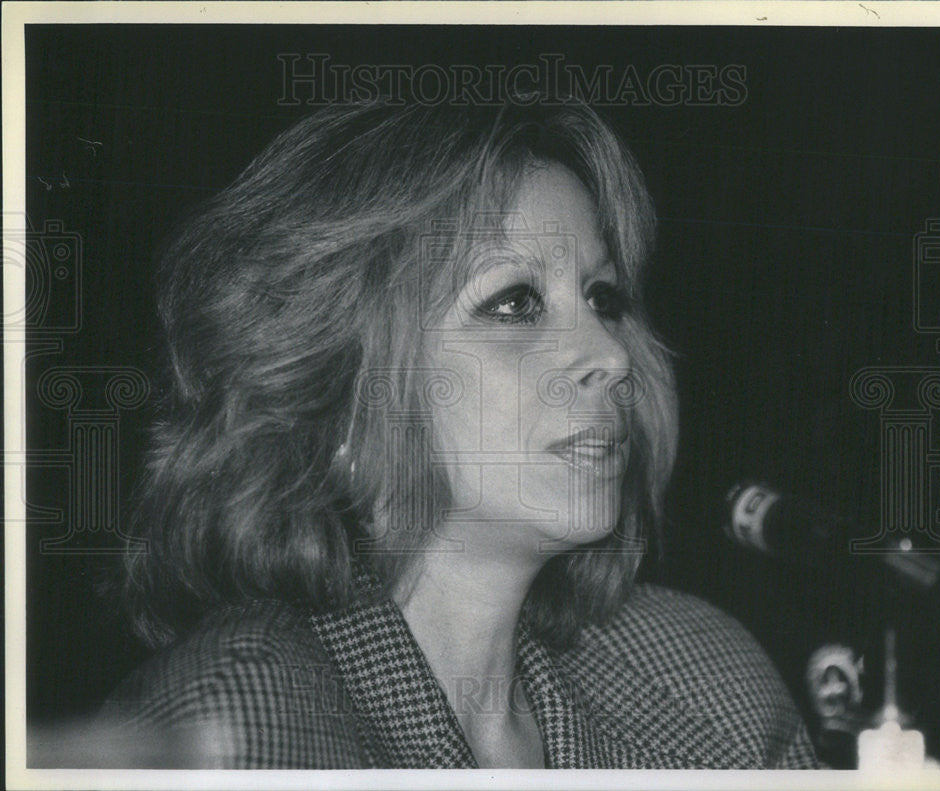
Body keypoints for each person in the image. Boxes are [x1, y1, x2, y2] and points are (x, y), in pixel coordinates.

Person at [100, 97, 819, 769]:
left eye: (604, 298)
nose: (612, 354)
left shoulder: (714, 690)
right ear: (337, 396)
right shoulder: (235, 727)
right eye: (515, 303)